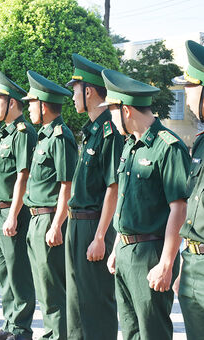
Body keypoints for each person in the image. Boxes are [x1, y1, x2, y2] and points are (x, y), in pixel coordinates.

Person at [102, 69, 190, 340]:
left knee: (152, 331)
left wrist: (166, 264)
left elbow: (179, 208)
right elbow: (126, 202)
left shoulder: (168, 147)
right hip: (127, 252)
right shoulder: (130, 145)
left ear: (126, 110)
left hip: (151, 253)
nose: (111, 118)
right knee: (130, 330)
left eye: (112, 110)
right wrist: (118, 247)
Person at [65, 54, 123, 339]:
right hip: (77, 222)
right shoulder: (90, 131)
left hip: (94, 224)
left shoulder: (109, 131)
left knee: (96, 301)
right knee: (76, 301)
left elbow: (113, 187)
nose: (72, 96)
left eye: (75, 90)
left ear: (88, 90)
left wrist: (100, 237)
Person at [22, 70, 77, 340]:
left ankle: (58, 336)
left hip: (49, 219)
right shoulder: (43, 136)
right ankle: (51, 333)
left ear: (44, 105)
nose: (28, 108)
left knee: (53, 288)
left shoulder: (60, 137)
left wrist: (57, 225)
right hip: (35, 218)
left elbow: (66, 186)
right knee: (43, 287)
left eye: (31, 103)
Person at [0, 70, 37, 340]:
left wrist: (13, 215)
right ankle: (9, 325)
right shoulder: (4, 133)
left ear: (12, 103)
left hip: (10, 212)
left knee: (18, 274)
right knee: (4, 274)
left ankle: (21, 329)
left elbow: (23, 177)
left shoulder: (23, 133)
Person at [171, 40, 204, 340]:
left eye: (191, 87)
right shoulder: (201, 141)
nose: (186, 94)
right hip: (194, 261)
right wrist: (184, 266)